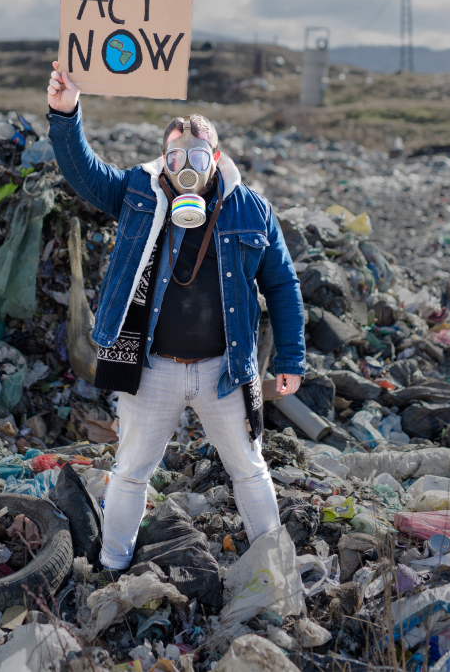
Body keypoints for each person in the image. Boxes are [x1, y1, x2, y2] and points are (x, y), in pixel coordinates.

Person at [47, 62, 306, 571]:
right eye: (174, 154)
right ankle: (113, 563)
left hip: (224, 371)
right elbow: (83, 172)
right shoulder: (138, 193)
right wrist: (65, 113)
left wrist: (292, 357)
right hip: (151, 367)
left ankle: (272, 569)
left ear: (215, 157)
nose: (185, 164)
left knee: (250, 471)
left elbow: (282, 284)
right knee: (130, 472)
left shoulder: (251, 210)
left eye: (196, 155)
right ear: (161, 158)